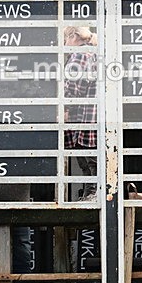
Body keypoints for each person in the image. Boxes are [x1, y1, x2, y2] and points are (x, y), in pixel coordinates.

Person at [63, 26, 98, 201]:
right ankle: (91, 194)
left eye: (65, 39)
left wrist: (64, 107)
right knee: (91, 159)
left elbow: (73, 88)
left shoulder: (79, 55)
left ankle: (91, 195)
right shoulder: (94, 53)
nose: (64, 44)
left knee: (88, 160)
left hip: (84, 115)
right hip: (92, 114)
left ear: (73, 36)